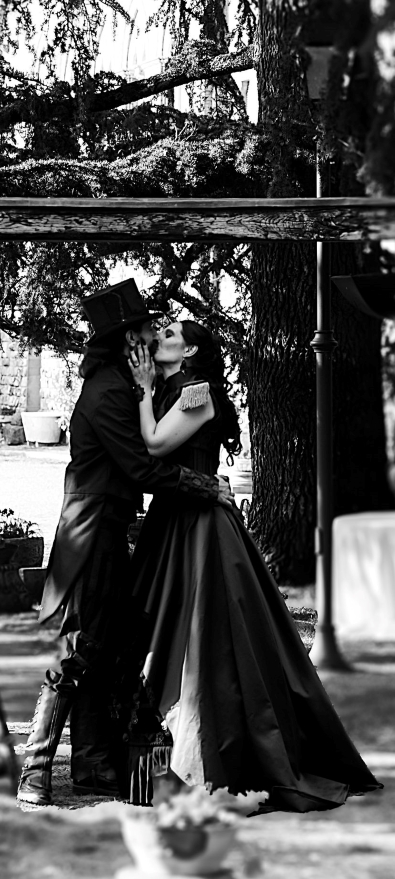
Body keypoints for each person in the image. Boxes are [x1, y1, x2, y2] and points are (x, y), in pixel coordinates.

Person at [120, 318, 382, 812]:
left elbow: (153, 445)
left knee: (211, 636)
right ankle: (149, 743)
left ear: (192, 348)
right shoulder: (171, 388)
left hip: (200, 527)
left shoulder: (198, 393)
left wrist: (142, 389)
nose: (161, 339)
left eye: (171, 335)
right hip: (172, 520)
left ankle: (211, 749)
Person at [16, 282, 234, 807]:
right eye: (144, 331)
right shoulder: (111, 390)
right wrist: (206, 485)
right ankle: (35, 768)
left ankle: (93, 764)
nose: (152, 337)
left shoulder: (123, 384)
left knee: (108, 644)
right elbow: (142, 465)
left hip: (108, 526)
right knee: (81, 649)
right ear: (126, 340)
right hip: (91, 530)